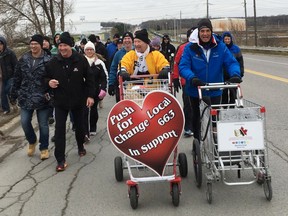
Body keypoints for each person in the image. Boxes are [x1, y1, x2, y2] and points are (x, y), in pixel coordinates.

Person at [179, 18, 242, 141]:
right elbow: (183, 66)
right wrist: (192, 78)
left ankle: (216, 142)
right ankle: (198, 144)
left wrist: (235, 74)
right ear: (198, 32)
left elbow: (231, 62)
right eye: (202, 31)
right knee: (197, 117)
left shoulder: (221, 47)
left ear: (211, 31)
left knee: (215, 117)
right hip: (195, 89)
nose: (205, 34)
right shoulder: (190, 48)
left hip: (215, 88)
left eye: (208, 31)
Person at [44, 32, 95, 172]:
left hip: (78, 99)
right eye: (60, 45)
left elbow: (90, 78)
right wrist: (49, 82)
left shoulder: (80, 59)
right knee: (59, 130)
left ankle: (80, 146)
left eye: (65, 45)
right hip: (60, 101)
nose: (62, 48)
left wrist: (90, 96)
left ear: (70, 46)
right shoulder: (53, 62)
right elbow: (44, 78)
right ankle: (60, 159)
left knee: (79, 127)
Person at [10, 34, 51, 160]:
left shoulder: (48, 60)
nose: (33, 46)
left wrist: (51, 94)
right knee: (24, 122)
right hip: (26, 96)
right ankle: (32, 140)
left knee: (43, 124)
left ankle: (44, 148)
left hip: (42, 96)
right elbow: (17, 77)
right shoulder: (24, 59)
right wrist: (13, 93)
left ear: (41, 45)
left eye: (36, 44)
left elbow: (53, 78)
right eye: (31, 44)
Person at [173, 27, 196, 137]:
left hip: (201, 82)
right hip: (186, 82)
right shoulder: (182, 47)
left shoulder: (203, 47)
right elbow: (176, 63)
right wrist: (175, 77)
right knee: (188, 105)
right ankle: (188, 127)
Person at [83, 41, 107, 139]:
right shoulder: (81, 61)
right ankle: (85, 131)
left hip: (95, 90)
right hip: (83, 90)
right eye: (87, 49)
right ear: (84, 51)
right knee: (84, 111)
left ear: (94, 50)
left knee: (93, 110)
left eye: (91, 49)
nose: (89, 51)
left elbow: (104, 77)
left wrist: (103, 89)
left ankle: (93, 128)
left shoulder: (99, 63)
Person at [108, 31, 134, 102]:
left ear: (132, 40)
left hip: (135, 83)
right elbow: (113, 69)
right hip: (120, 85)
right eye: (125, 39)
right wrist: (111, 84)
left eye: (129, 38)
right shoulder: (118, 54)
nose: (127, 40)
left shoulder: (136, 52)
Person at [221, 31, 244, 105]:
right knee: (224, 92)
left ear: (231, 39)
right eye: (225, 39)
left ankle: (232, 106)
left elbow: (240, 61)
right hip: (223, 74)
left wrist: (241, 72)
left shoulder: (236, 49)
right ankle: (224, 107)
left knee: (233, 92)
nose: (227, 41)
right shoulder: (221, 49)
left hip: (233, 75)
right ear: (223, 40)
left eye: (228, 39)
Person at [0, 36, 18, 115]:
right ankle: (6, 109)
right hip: (2, 77)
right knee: (2, 93)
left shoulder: (10, 53)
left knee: (8, 90)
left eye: (0, 44)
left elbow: (16, 65)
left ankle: (13, 101)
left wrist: (16, 76)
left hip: (11, 75)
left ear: (4, 44)